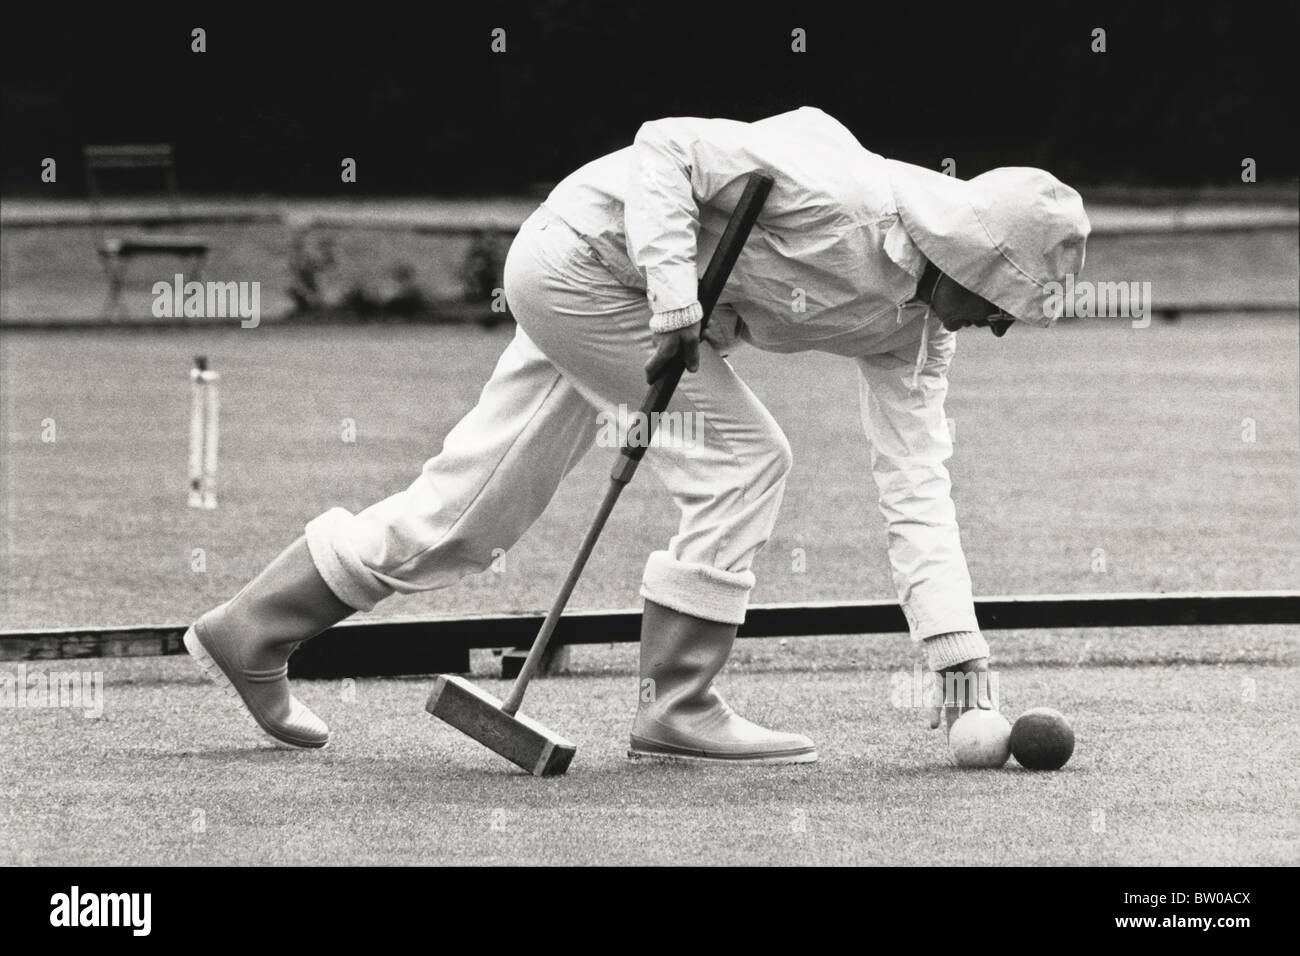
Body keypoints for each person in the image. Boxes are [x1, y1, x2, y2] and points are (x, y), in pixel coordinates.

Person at [185, 106, 1089, 763]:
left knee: (471, 511)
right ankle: (679, 707)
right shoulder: (843, 192)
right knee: (747, 455)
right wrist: (673, 297)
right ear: (974, 256)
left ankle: (254, 628)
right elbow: (666, 144)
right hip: (585, 258)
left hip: (627, 301)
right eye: (1006, 304)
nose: (1005, 326)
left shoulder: (921, 335)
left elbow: (916, 482)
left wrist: (955, 648)